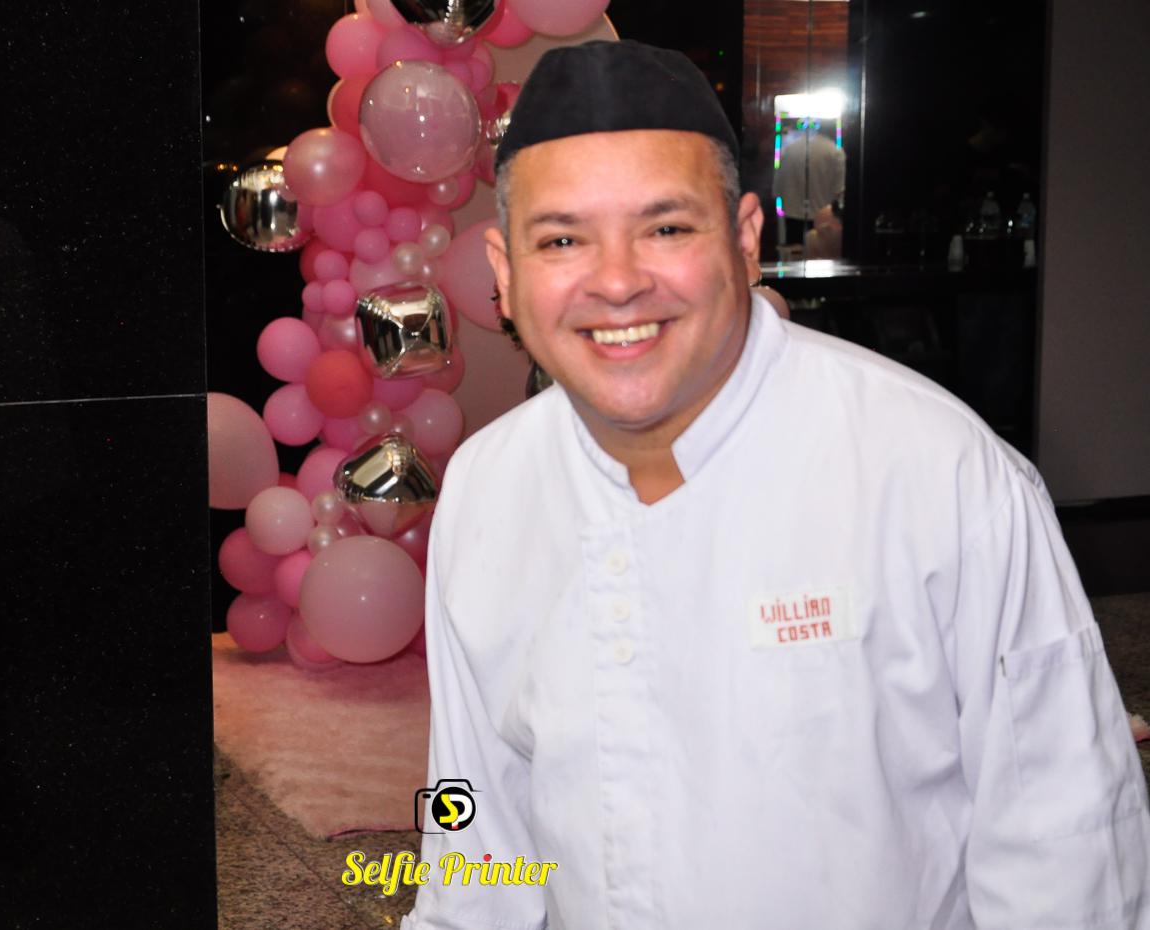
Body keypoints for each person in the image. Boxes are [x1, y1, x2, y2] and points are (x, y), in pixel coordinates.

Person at [401, 39, 1149, 930]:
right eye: (561, 239)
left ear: (746, 238)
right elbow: (475, 826)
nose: (617, 282)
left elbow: (1065, 843)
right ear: (504, 274)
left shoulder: (936, 472)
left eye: (667, 228)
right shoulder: (488, 488)